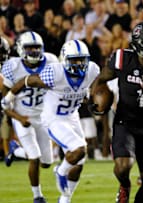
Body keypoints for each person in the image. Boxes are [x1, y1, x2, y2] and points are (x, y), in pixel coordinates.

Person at [90, 20, 143, 203]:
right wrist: (94, 98)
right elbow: (101, 78)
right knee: (123, 166)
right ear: (138, 43)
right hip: (125, 122)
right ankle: (124, 185)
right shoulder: (122, 59)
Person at [2, 39, 100, 202]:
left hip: (72, 117)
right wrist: (9, 97)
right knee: (79, 149)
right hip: (53, 119)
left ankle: (65, 199)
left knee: (79, 162)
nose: (79, 63)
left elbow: (91, 89)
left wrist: (92, 100)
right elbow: (27, 81)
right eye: (74, 60)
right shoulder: (55, 72)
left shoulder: (92, 70)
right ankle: (60, 171)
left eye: (82, 59)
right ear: (65, 59)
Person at [1, 31, 58, 203]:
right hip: (23, 117)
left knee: (46, 162)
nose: (33, 51)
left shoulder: (51, 62)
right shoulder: (12, 66)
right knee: (34, 156)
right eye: (29, 48)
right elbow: (4, 103)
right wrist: (19, 118)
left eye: (36, 47)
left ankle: (15, 150)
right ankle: (37, 196)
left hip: (42, 118)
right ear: (20, 49)